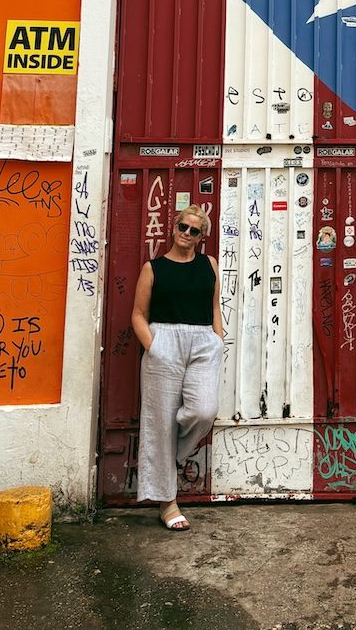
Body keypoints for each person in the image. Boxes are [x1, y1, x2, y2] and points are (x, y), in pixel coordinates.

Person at [131, 204, 224, 530]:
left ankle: (170, 455)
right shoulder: (153, 267)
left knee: (204, 410)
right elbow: (138, 314)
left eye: (194, 230)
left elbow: (214, 306)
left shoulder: (209, 264)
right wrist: (153, 347)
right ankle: (167, 503)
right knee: (160, 422)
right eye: (182, 227)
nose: (186, 234)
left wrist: (218, 338)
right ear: (173, 227)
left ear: (202, 237)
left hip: (202, 342)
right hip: (163, 341)